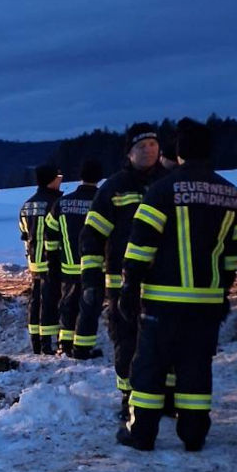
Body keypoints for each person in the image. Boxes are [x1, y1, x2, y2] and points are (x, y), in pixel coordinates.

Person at [117, 118, 237, 451]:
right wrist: (223, 291)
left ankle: (141, 433)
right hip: (206, 302)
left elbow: (140, 245)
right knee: (196, 368)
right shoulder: (231, 195)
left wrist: (130, 287)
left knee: (148, 367)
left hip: (162, 301)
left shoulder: (162, 191)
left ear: (178, 153)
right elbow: (233, 251)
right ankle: (193, 433)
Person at [78, 123, 166, 419]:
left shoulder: (170, 183)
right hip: (122, 283)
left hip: (164, 284)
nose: (148, 151)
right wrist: (91, 281)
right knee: (126, 343)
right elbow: (91, 235)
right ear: (129, 153)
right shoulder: (114, 188)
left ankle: (165, 397)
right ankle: (128, 397)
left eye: (153, 145)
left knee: (165, 342)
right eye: (141, 147)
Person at [45, 159, 102, 356]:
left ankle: (65, 344)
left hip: (68, 266)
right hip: (94, 266)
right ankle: (83, 347)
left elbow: (50, 230)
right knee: (89, 307)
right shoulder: (101, 200)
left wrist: (53, 261)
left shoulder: (63, 202)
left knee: (68, 305)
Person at [20, 164, 63, 354]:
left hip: (34, 260)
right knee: (51, 301)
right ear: (51, 179)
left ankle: (35, 342)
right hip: (53, 259)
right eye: (58, 176)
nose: (61, 180)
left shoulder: (27, 205)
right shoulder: (57, 202)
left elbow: (23, 232)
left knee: (36, 299)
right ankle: (48, 344)